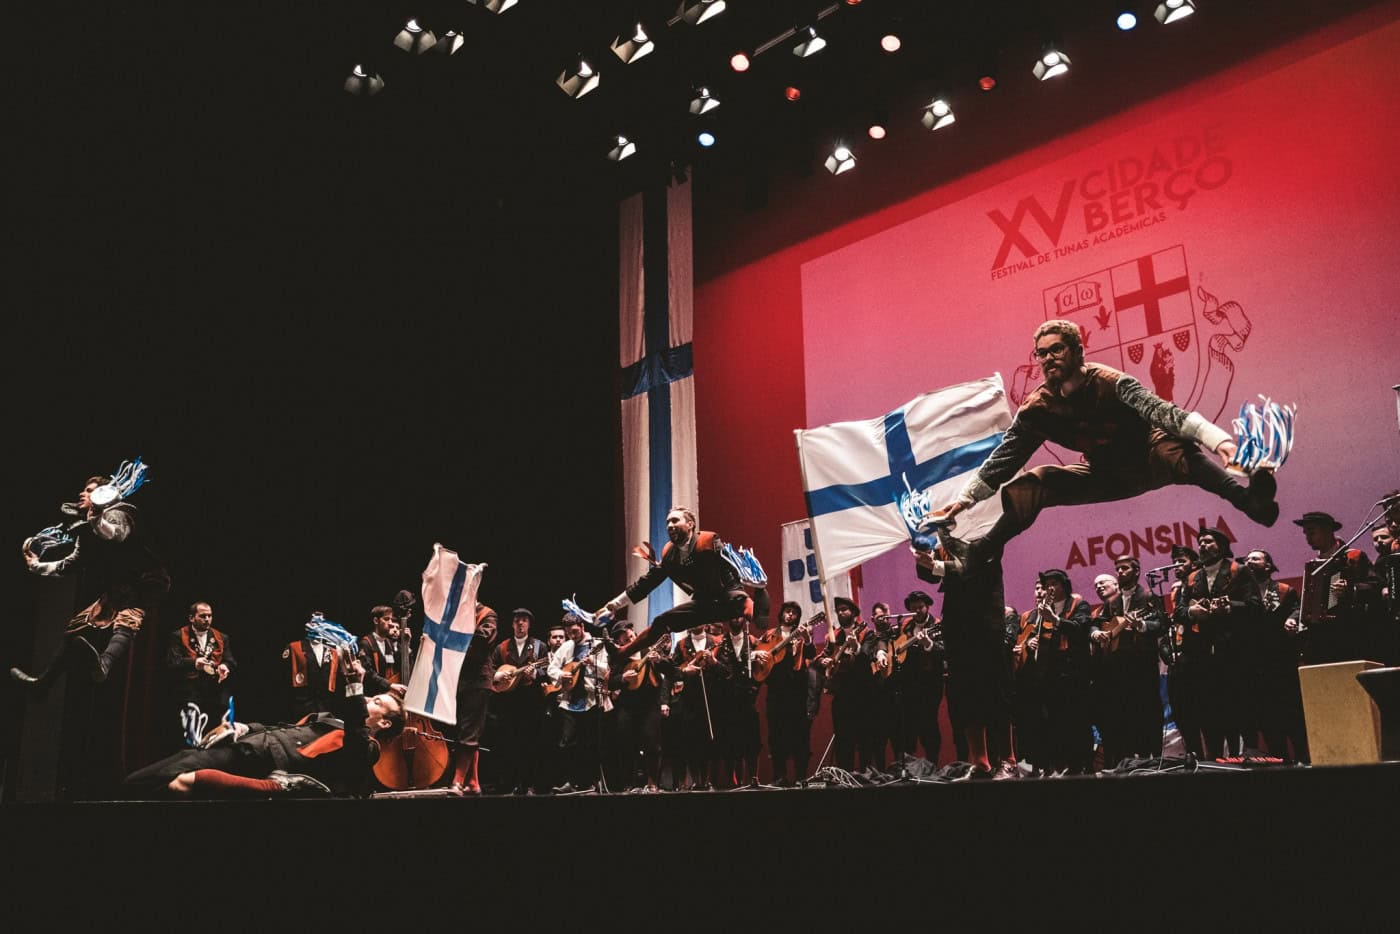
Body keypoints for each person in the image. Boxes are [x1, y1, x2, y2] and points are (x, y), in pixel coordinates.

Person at [925, 319, 1279, 561]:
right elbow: (1005, 458)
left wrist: (1222, 444)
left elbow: (1163, 412)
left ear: (1077, 350)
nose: (1048, 358)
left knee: (1171, 445)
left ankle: (1250, 502)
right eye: (1041, 353)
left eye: (1056, 349)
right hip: (1104, 475)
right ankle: (980, 552)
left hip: (1148, 458)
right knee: (1034, 482)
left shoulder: (1112, 382)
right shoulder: (1038, 408)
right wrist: (962, 503)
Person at [125, 647, 405, 798]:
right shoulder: (334, 721)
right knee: (176, 766)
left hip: (259, 760)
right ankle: (125, 793)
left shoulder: (368, 748)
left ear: (385, 724)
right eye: (374, 697)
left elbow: (357, 738)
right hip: (250, 744)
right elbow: (284, 728)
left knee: (172, 775)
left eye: (378, 702)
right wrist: (245, 727)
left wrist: (355, 686)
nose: (371, 699)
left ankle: (123, 795)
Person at [13, 470, 171, 690]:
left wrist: (96, 518)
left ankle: (104, 665)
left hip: (146, 581)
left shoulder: (119, 512)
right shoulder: (85, 531)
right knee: (75, 628)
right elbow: (71, 564)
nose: (82, 493)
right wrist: (35, 565)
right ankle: (43, 683)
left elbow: (116, 533)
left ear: (103, 495)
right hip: (119, 586)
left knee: (127, 619)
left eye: (89, 490)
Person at [593, 506, 750, 659]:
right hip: (704, 604)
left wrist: (743, 596)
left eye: (675, 520)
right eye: (668, 522)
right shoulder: (669, 556)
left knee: (752, 611)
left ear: (690, 524)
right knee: (661, 622)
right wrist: (613, 605)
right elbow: (646, 583)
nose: (669, 525)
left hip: (728, 598)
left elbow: (731, 569)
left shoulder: (708, 541)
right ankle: (621, 653)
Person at [1178, 528, 1259, 758]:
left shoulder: (1238, 570)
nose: (1202, 545)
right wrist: (1192, 612)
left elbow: (1255, 605)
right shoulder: (1192, 577)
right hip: (1202, 655)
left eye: (1208, 541)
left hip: (1234, 651)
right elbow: (1179, 611)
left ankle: (1249, 756)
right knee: (1209, 710)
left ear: (1222, 546)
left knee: (1240, 706)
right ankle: (1215, 760)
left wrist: (1230, 607)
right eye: (1200, 542)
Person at [1088, 557, 1165, 766]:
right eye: (1118, 569)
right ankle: (1129, 761)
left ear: (1137, 571)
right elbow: (1096, 624)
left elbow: (1160, 624)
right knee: (1124, 714)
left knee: (1147, 711)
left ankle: (1152, 758)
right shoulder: (1112, 602)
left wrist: (1142, 625)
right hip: (1117, 669)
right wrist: (1095, 634)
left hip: (1142, 665)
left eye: (1124, 568)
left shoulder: (1149, 596)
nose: (1120, 572)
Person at [1243, 549, 1307, 762]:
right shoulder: (1242, 594)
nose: (1249, 562)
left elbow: (1298, 609)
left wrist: (1292, 619)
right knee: (1267, 719)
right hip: (1256, 666)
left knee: (1292, 715)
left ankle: (1304, 760)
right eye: (1247, 559)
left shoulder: (1284, 590)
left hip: (1282, 663)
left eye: (1255, 558)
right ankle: (1280, 763)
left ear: (1268, 565)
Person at [1292, 511, 1379, 664]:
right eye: (1305, 533)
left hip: (1349, 632)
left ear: (1327, 531)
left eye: (1312, 532)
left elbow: (1376, 585)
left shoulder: (1354, 557)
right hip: (1320, 635)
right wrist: (1293, 618)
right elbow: (1307, 600)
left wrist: (1351, 589)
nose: (1307, 538)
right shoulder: (1313, 565)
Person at [488, 608, 549, 795]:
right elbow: (490, 669)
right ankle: (508, 783)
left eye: (524, 620)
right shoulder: (502, 647)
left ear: (529, 624)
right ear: (512, 624)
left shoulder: (539, 646)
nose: (521, 624)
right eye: (517, 621)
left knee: (530, 743)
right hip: (508, 704)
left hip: (531, 703)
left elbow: (548, 670)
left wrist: (535, 673)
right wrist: (499, 675)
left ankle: (528, 783)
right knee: (508, 743)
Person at [548, 615, 611, 793]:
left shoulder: (596, 645)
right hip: (570, 701)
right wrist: (562, 674)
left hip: (591, 700)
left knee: (589, 743)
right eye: (568, 633)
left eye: (574, 631)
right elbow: (551, 668)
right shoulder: (566, 647)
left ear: (582, 626)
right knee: (566, 742)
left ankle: (588, 782)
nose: (572, 635)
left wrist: (593, 663)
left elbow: (606, 670)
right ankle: (569, 781)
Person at [166, 601, 236, 750]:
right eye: (203, 616)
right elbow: (173, 662)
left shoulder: (221, 637)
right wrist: (194, 663)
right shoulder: (178, 635)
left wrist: (225, 666)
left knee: (220, 727)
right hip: (190, 689)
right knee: (191, 734)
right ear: (192, 618)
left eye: (210, 616)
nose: (207, 619)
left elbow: (230, 660)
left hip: (215, 690)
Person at [446, 605, 499, 795]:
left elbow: (483, 639)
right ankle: (473, 782)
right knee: (464, 731)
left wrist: (455, 632)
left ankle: (458, 782)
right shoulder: (458, 614)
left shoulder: (487, 614)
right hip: (459, 680)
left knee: (469, 732)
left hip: (478, 681)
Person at [761, 602, 816, 786]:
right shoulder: (770, 634)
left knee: (799, 735)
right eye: (787, 611)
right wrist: (759, 657)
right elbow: (758, 653)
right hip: (776, 692)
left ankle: (800, 777)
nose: (790, 615)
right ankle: (779, 776)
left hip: (796, 692)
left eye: (794, 612)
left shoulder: (801, 635)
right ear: (781, 614)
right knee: (776, 735)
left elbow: (810, 654)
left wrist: (807, 639)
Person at [357, 604, 405, 684]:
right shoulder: (366, 643)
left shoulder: (389, 642)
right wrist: (389, 685)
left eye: (391, 619)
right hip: (373, 690)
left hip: (389, 689)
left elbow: (399, 667)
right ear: (376, 621)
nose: (390, 623)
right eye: (386, 619)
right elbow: (368, 673)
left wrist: (406, 642)